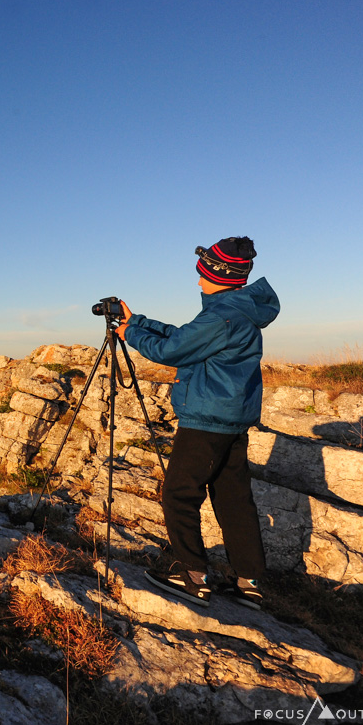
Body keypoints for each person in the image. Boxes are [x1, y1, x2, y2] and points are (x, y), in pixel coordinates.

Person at [115, 237, 280, 609]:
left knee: (179, 493)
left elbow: (170, 350)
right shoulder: (235, 311)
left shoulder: (222, 317)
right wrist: (137, 320)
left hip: (206, 420)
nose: (198, 281)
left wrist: (129, 334)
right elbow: (184, 336)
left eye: (201, 274)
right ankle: (248, 581)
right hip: (232, 421)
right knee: (234, 499)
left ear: (218, 275)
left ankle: (191, 575)